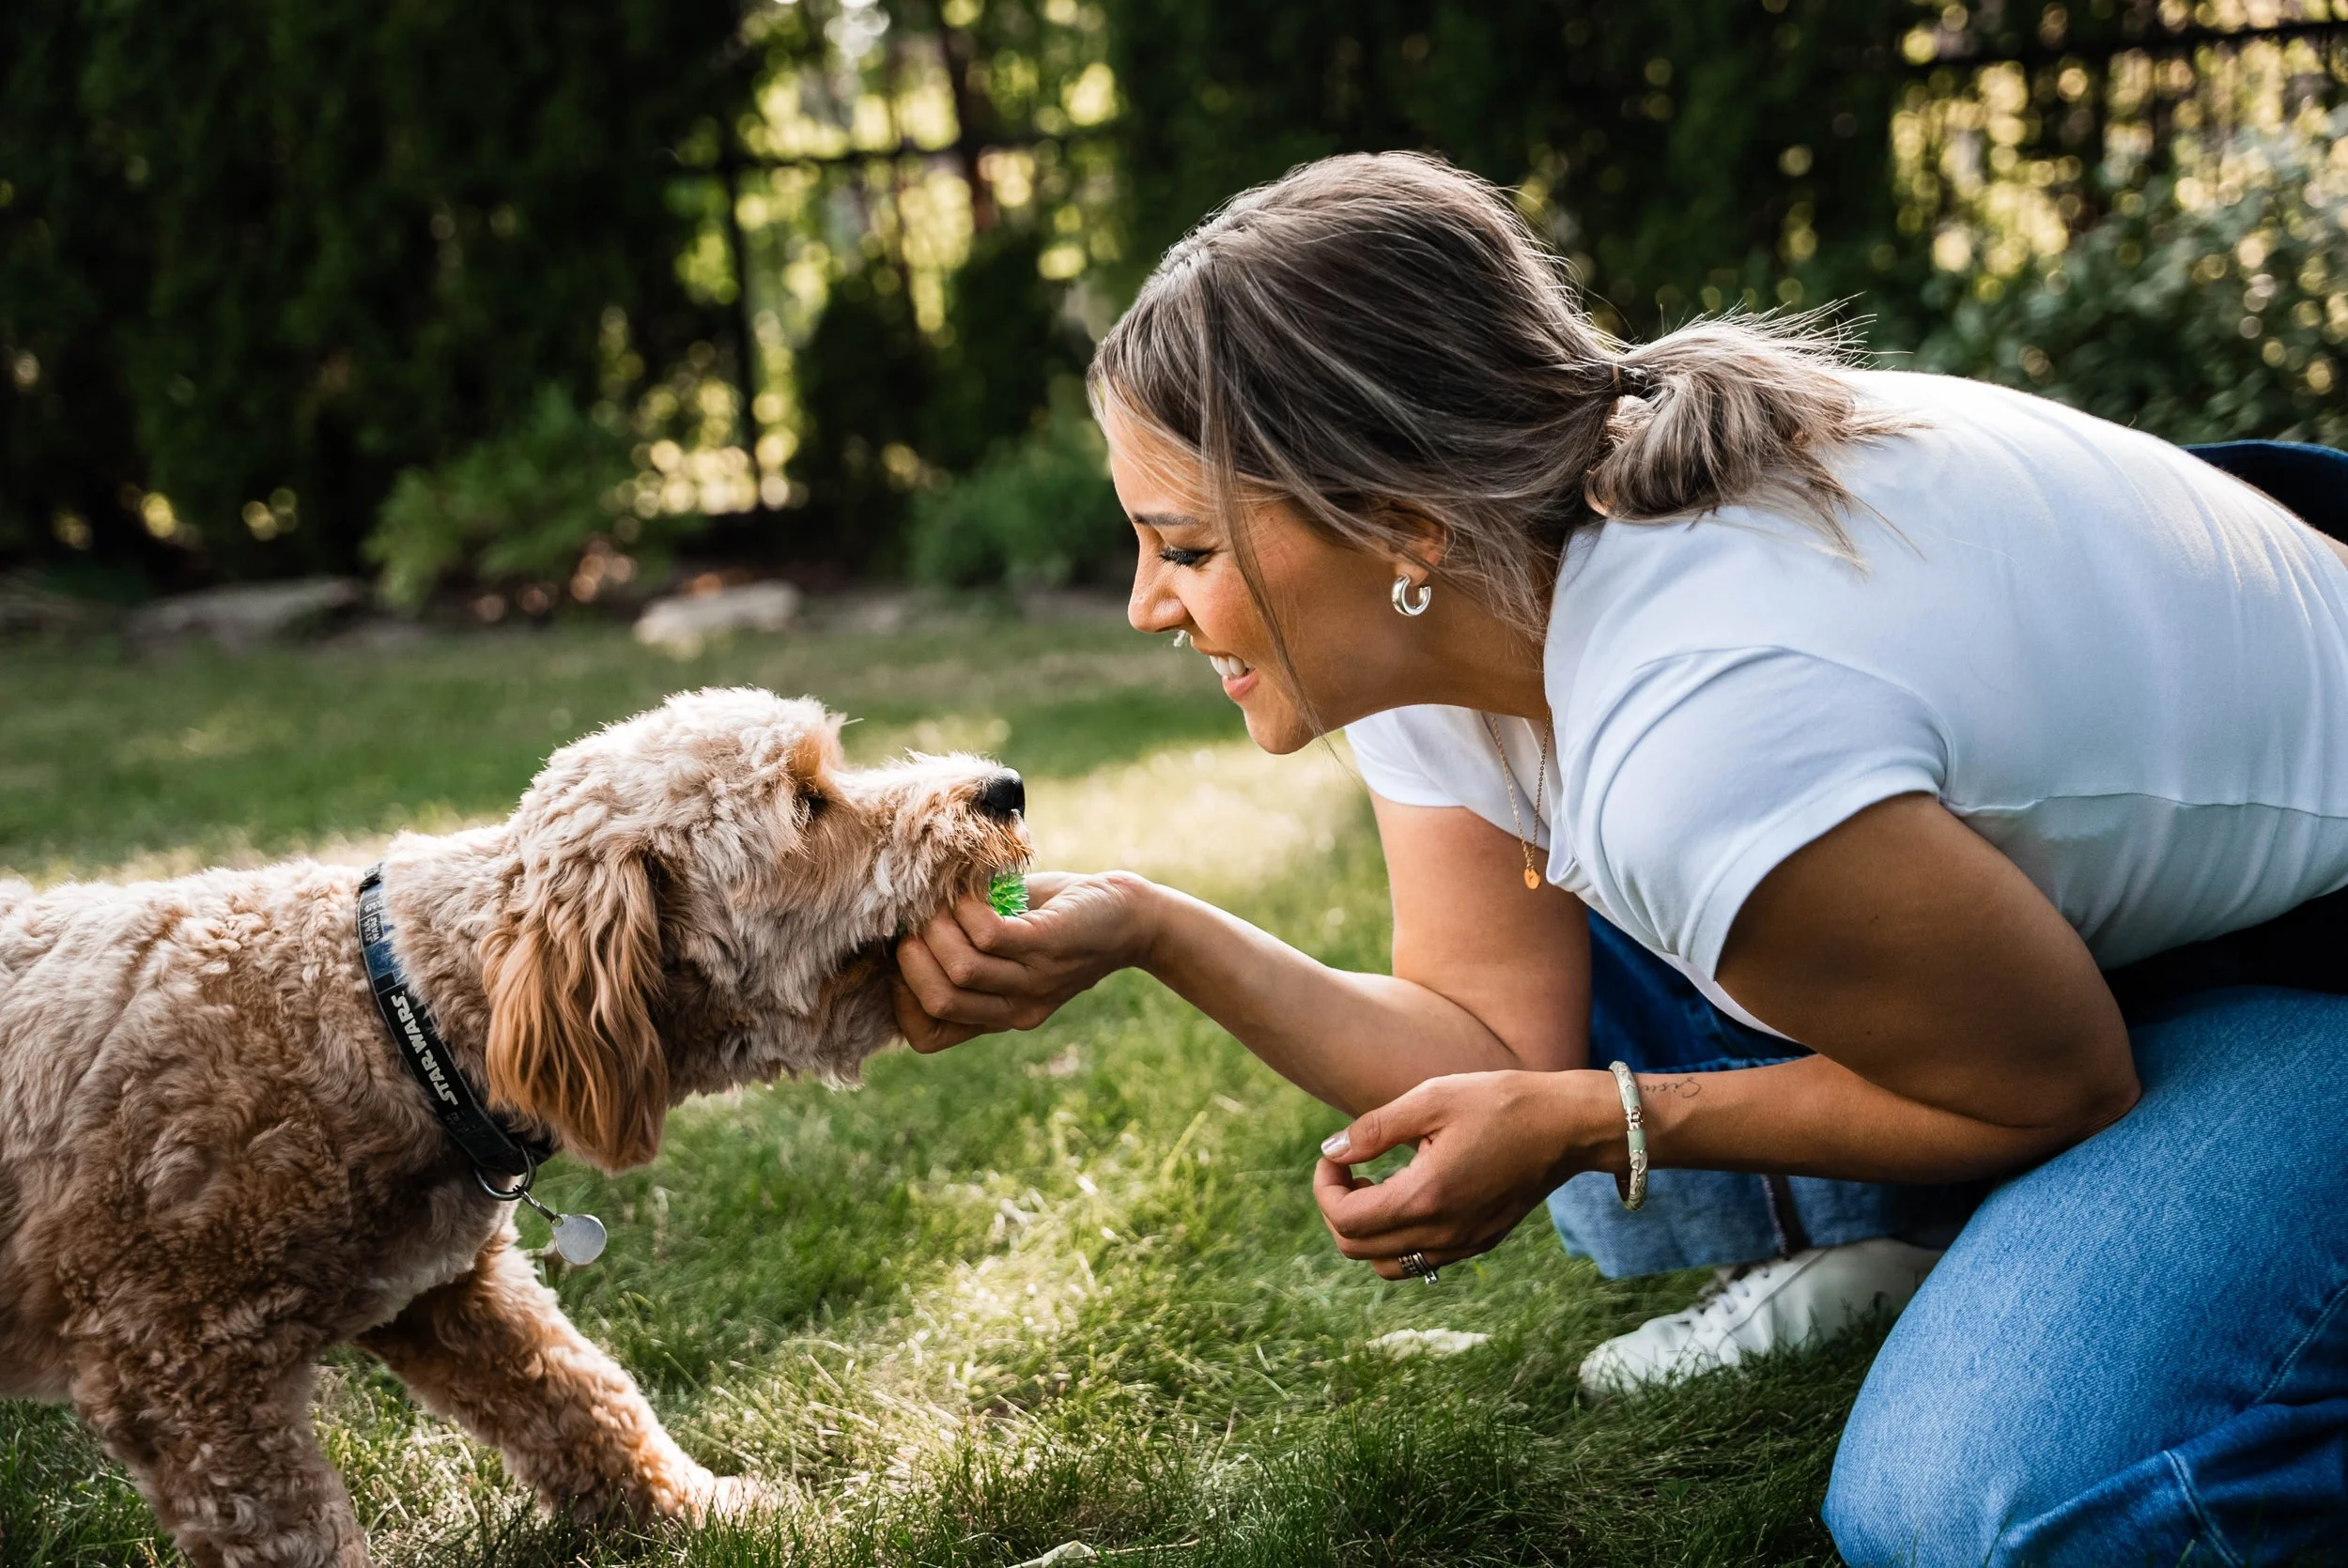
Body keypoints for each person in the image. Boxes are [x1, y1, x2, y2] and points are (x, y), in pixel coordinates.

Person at [888, 151, 2348, 1564]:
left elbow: (2052, 1083)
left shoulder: (1697, 731)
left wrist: (1605, 1119)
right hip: (2138, 933)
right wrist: (1153, 927)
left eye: (1188, 547)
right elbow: (1482, 1035)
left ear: (1397, 522)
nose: (1146, 604)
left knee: (1974, 1507)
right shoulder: (1472, 593)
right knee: (1607, 1031)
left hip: (2306, 955)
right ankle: (1977, 1222)